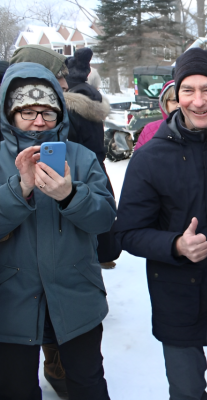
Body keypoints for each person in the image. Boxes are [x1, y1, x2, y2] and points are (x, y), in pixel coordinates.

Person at [113, 48, 207, 400]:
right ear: (176, 96)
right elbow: (127, 232)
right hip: (176, 293)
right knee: (187, 391)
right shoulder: (150, 158)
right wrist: (175, 245)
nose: (198, 101)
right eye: (188, 91)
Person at [0, 62, 116, 400]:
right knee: (15, 389)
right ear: (10, 113)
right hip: (12, 301)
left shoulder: (80, 157)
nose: (39, 121)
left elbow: (105, 219)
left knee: (88, 384)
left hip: (76, 297)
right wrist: (17, 191)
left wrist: (70, 195)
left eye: (48, 112)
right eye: (27, 112)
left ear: (60, 113)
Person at [65, 48, 120, 270]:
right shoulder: (93, 99)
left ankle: (93, 256)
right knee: (101, 203)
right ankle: (106, 254)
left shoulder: (69, 107)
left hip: (77, 164)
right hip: (97, 160)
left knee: (81, 206)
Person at [134, 80, 177, 150]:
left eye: (183, 100)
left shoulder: (199, 131)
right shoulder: (149, 130)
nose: (180, 105)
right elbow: (139, 159)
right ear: (165, 104)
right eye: (174, 100)